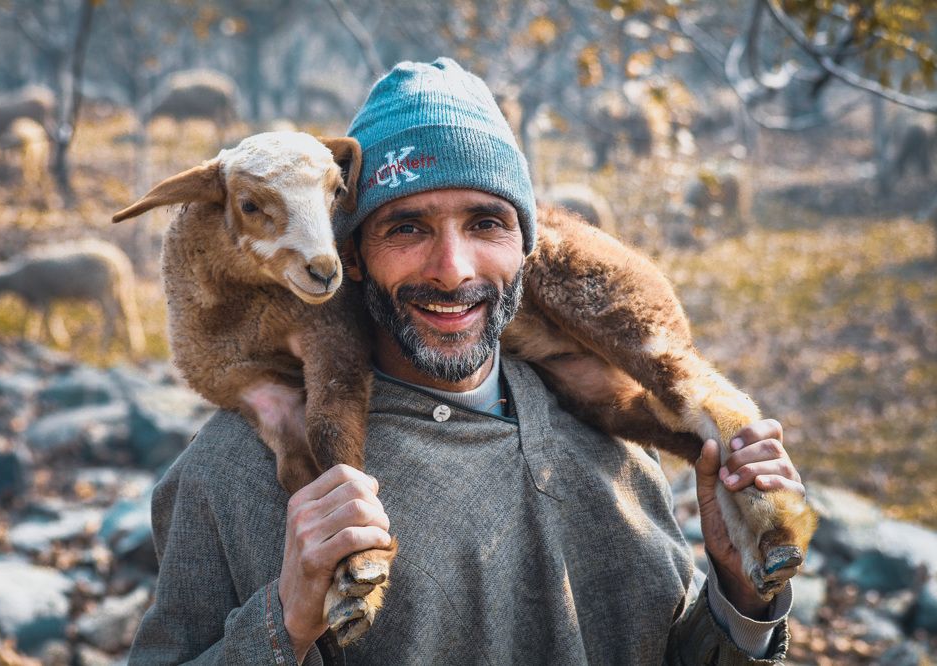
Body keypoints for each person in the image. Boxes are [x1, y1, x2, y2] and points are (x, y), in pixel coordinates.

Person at [129, 58, 805, 665]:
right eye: (407, 228)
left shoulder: (614, 440)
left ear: (526, 244)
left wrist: (739, 599)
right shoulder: (232, 475)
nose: (453, 272)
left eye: (486, 223)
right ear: (352, 254)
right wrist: (285, 627)